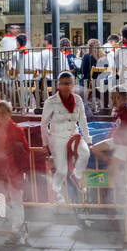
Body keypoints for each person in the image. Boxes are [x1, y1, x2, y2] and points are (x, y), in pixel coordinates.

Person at [0, 99, 30, 244]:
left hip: (12, 170)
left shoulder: (16, 130)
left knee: (15, 200)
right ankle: (19, 227)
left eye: (4, 113)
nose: (0, 116)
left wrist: (20, 170)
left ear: (10, 113)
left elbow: (24, 152)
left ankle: (17, 230)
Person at [40, 71, 92, 204]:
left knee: (85, 153)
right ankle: (56, 194)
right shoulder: (51, 102)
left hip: (73, 135)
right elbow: (44, 124)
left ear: (73, 85)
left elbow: (82, 121)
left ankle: (77, 176)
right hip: (57, 137)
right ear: (58, 85)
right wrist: (45, 144)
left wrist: (87, 139)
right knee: (62, 170)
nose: (66, 86)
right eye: (63, 84)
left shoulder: (78, 100)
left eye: (69, 83)